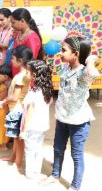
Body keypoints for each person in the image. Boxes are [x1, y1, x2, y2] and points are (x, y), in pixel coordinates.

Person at [41, 37, 100, 191]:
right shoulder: (65, 69)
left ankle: (75, 185)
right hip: (62, 118)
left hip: (79, 122)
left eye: (64, 50)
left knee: (76, 155)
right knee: (58, 148)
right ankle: (55, 175)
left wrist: (90, 60)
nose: (60, 53)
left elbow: (93, 74)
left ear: (76, 53)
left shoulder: (83, 73)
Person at [0, 45, 33, 172]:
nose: (10, 61)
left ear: (20, 61)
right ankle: (13, 157)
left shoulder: (20, 77)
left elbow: (15, 96)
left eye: (12, 59)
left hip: (18, 109)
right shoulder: (26, 74)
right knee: (16, 137)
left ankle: (18, 162)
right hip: (17, 109)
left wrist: (3, 101)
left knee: (18, 138)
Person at [20, 60, 53, 180]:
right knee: (38, 148)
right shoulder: (46, 90)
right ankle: (36, 171)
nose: (25, 75)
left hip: (32, 126)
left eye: (27, 72)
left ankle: (30, 173)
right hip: (43, 125)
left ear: (34, 76)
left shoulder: (33, 93)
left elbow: (29, 113)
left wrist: (24, 130)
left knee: (29, 149)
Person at [10, 8, 42, 77]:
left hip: (25, 75)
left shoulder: (32, 37)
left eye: (13, 23)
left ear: (22, 21)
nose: (11, 25)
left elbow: (31, 60)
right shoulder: (19, 34)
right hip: (16, 73)